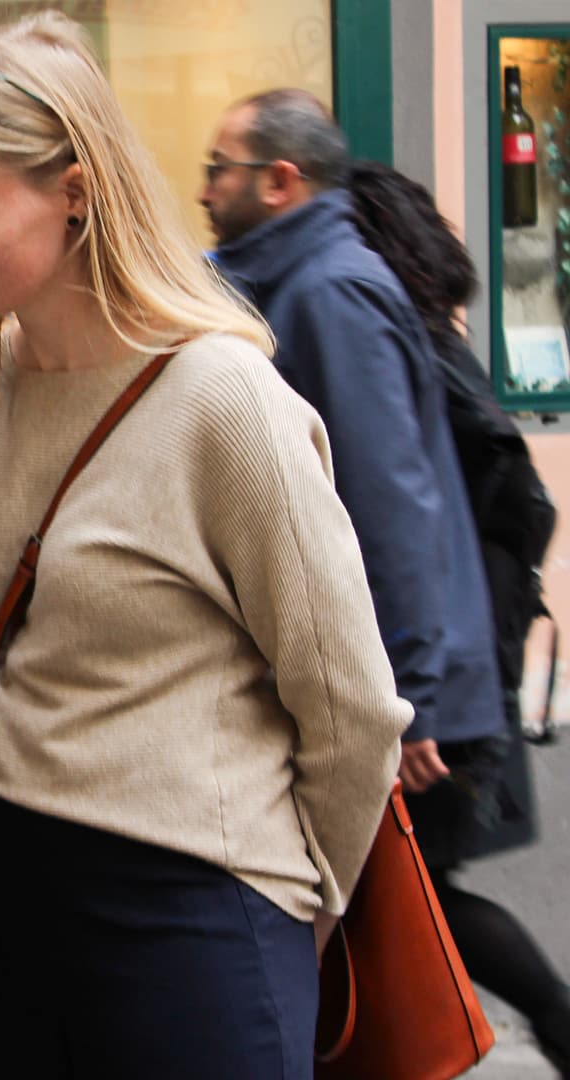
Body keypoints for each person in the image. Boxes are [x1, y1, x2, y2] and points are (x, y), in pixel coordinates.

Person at [0, 14, 411, 1075]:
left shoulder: (222, 401)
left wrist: (297, 909)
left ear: (75, 191)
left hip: (197, 918)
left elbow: (351, 709)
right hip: (22, 905)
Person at [203, 90, 506, 810]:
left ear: (280, 180)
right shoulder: (291, 283)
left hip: (398, 712)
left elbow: (388, 504)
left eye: (219, 169)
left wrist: (409, 699)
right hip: (372, 690)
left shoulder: (332, 292)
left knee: (409, 884)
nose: (204, 190)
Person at [343, 160, 570, 1072]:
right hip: (456, 669)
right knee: (416, 884)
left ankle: (553, 1022)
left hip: (442, 680)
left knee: (418, 887)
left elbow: (480, 518)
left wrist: (435, 687)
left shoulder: (407, 352)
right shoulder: (426, 341)